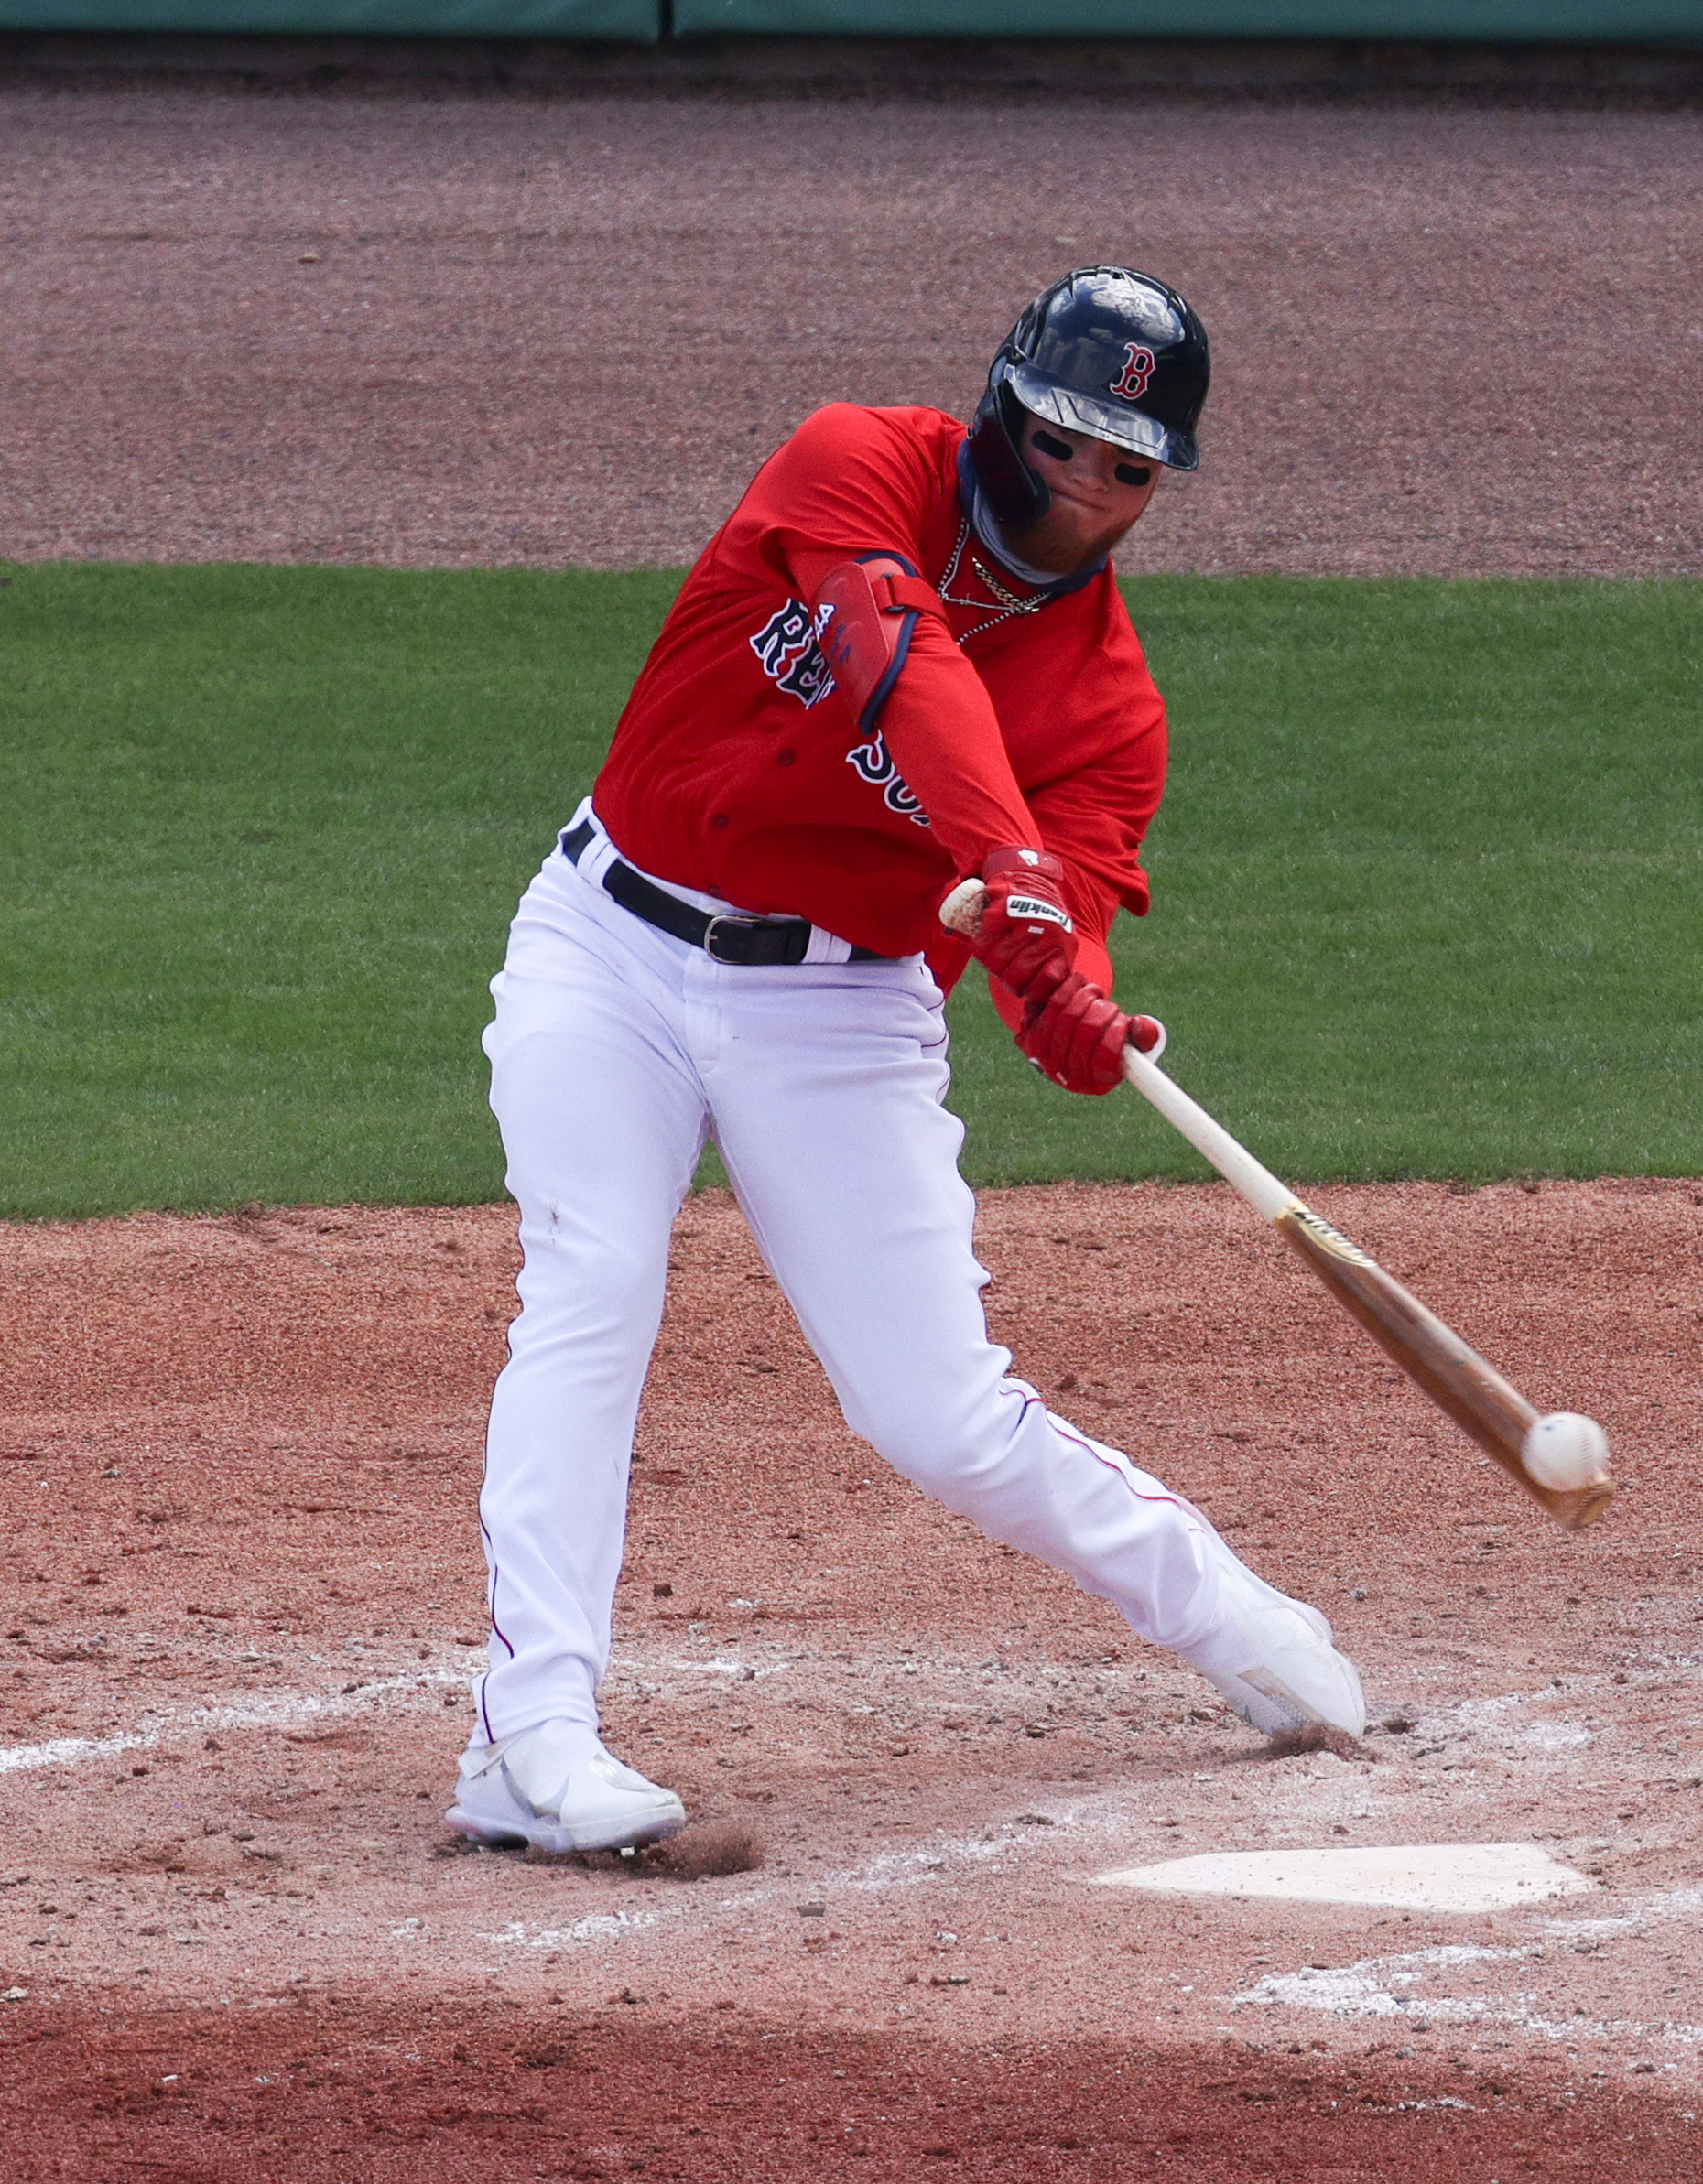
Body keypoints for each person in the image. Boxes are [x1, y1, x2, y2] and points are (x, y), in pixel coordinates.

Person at [446, 266, 1363, 1855]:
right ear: (1003, 406)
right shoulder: (855, 458)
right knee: (592, 1287)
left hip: (842, 1011)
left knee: (938, 1415)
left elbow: (1057, 935)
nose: (1084, 486)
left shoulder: (1110, 711)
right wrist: (1003, 859)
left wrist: (1068, 997)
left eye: (1125, 467)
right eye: (1062, 440)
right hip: (608, 945)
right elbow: (899, 656)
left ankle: (1228, 1615)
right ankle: (528, 1735)